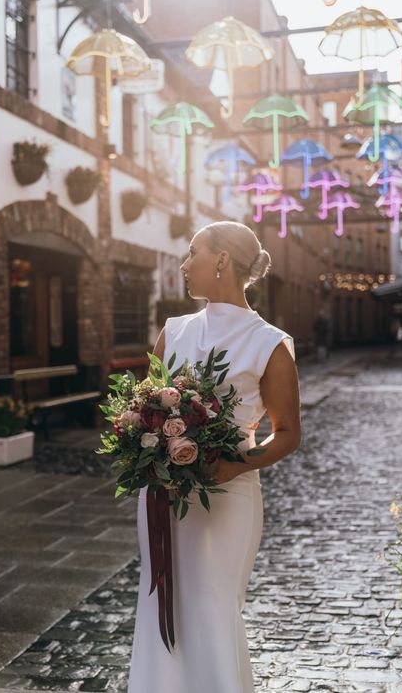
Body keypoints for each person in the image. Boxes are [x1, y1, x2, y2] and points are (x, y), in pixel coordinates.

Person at [127, 220, 301, 693]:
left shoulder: (270, 343)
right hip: (164, 492)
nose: (184, 265)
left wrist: (232, 466)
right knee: (158, 598)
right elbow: (147, 409)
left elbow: (286, 434)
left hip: (228, 496)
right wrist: (144, 445)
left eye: (192, 253)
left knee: (213, 607)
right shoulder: (173, 331)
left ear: (222, 260)